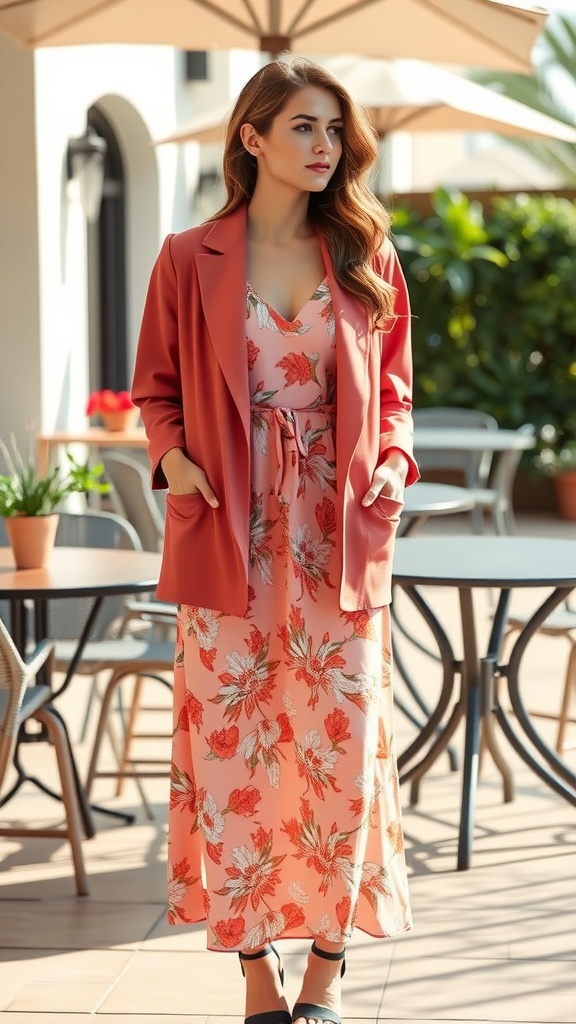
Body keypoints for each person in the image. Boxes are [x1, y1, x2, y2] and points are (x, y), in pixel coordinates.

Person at [132, 53, 419, 1024]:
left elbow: (395, 394)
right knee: (234, 753)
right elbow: (155, 390)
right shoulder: (187, 257)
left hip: (338, 536)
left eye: (335, 129)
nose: (325, 145)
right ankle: (255, 967)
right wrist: (173, 461)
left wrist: (394, 463)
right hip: (228, 532)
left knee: (343, 745)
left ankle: (327, 968)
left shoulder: (368, 253)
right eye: (304, 126)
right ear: (251, 137)